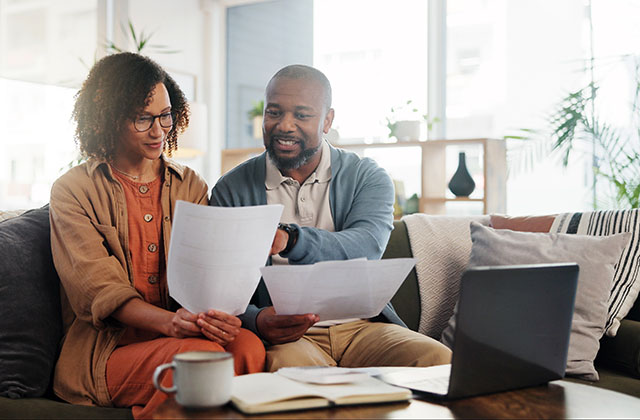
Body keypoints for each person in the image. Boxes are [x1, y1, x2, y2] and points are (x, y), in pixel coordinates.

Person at [49, 52, 265, 419]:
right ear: (109, 118)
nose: (159, 130)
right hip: (106, 352)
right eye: (142, 118)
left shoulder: (190, 184)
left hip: (183, 333)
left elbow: (208, 272)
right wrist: (170, 324)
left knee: (249, 348)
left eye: (165, 115)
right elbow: (97, 290)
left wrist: (212, 315)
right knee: (204, 361)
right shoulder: (73, 191)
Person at [210, 64, 451, 371]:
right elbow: (219, 286)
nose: (285, 125)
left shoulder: (367, 177)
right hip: (290, 339)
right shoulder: (232, 189)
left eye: (301, 115)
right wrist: (256, 319)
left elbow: (365, 247)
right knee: (291, 374)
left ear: (327, 120)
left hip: (365, 328)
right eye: (274, 113)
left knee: (438, 360)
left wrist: (291, 239)